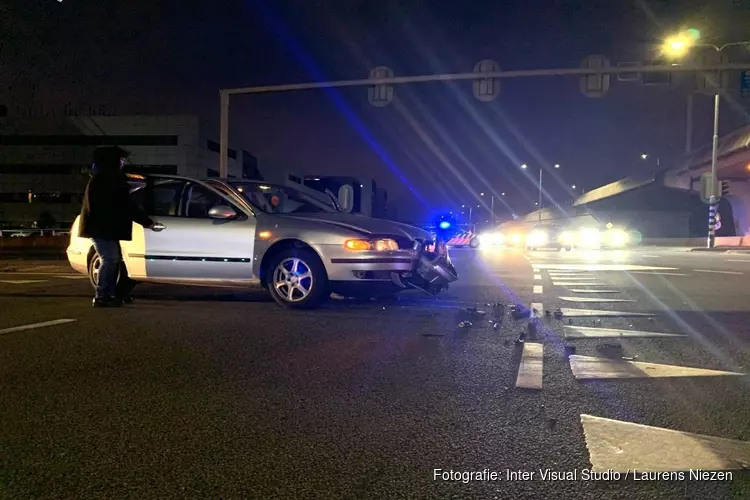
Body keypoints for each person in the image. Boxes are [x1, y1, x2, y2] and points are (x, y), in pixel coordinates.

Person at [79, 147, 156, 307]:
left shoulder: (104, 178)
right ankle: (102, 296)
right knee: (110, 259)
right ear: (112, 161)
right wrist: (146, 221)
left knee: (113, 260)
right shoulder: (107, 180)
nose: (123, 163)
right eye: (120, 160)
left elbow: (124, 204)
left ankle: (112, 294)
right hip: (102, 228)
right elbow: (127, 205)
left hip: (105, 228)